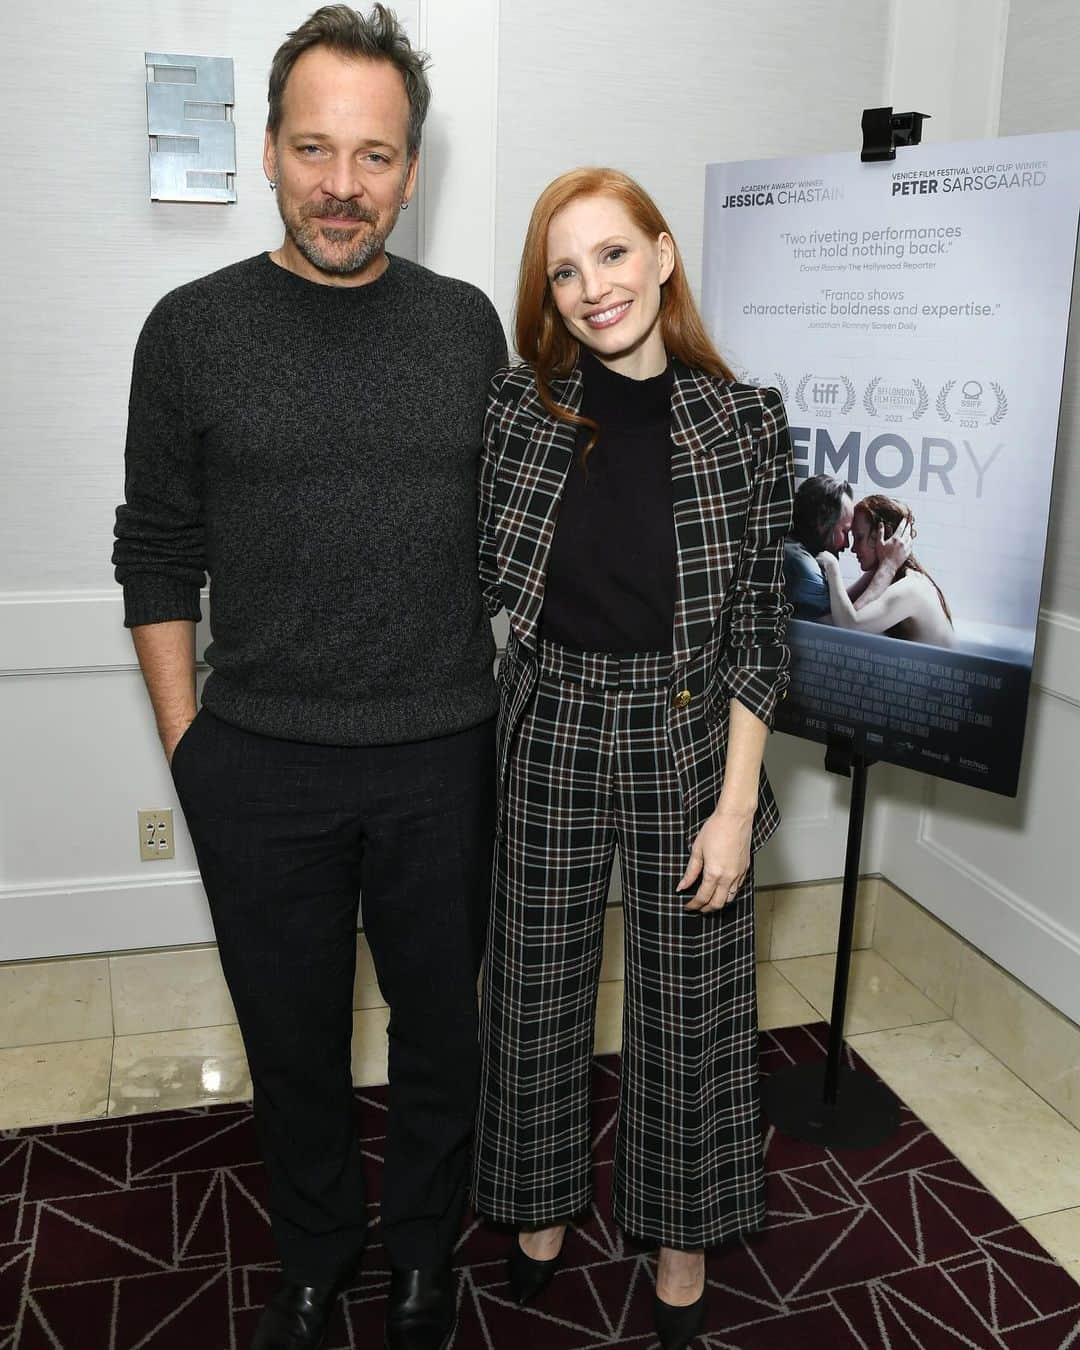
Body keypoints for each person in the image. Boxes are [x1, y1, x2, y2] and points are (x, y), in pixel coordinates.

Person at [112, 7, 506, 1349]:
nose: (345, 185)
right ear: (273, 150)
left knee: (441, 1039)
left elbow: (519, 533)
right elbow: (154, 551)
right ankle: (317, 1251)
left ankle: (419, 1256)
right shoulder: (189, 329)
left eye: (377, 155)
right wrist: (189, 747)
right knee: (291, 1042)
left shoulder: (468, 330)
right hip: (259, 759)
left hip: (445, 751)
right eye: (316, 148)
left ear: (413, 167)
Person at [471, 167, 793, 1350]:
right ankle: (541, 1203)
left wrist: (736, 798)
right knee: (535, 990)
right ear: (550, 299)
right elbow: (464, 573)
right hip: (549, 715)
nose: (593, 287)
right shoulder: (522, 411)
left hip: (686, 728)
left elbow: (762, 626)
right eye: (566, 270)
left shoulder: (745, 421)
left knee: (691, 1003)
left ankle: (681, 1230)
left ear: (662, 256)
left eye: (612, 255)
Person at [817, 494, 955, 647]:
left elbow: (850, 627)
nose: (853, 548)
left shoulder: (912, 589)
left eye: (859, 537)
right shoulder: (883, 572)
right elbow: (832, 618)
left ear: (884, 535)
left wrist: (831, 566)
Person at [783, 474, 910, 620]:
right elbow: (840, 625)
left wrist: (880, 563)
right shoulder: (803, 567)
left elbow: (839, 607)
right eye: (845, 531)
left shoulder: (791, 548)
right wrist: (888, 567)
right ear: (821, 522)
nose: (848, 545)